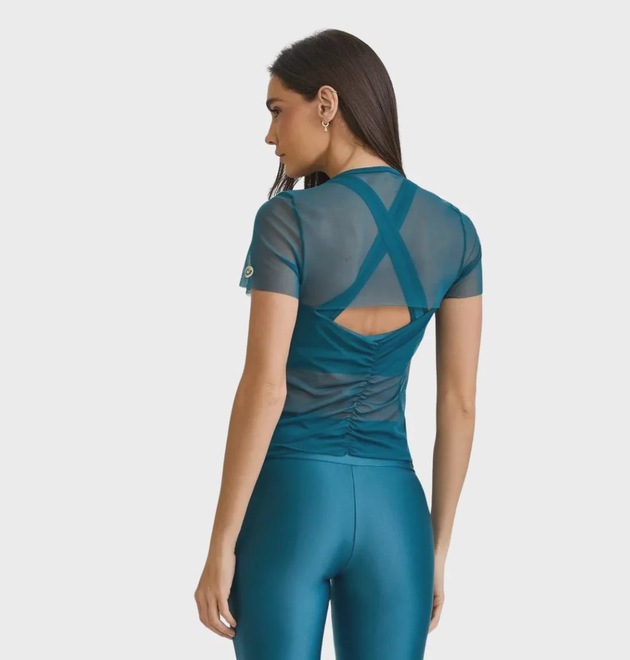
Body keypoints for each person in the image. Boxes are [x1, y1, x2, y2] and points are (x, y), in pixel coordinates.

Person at [194, 28, 483, 660]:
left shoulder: (287, 219)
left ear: (325, 103)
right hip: (397, 515)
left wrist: (221, 544)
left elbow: (265, 388)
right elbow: (459, 404)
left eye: (277, 110)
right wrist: (435, 550)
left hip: (292, 504)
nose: (270, 135)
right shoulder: (457, 232)